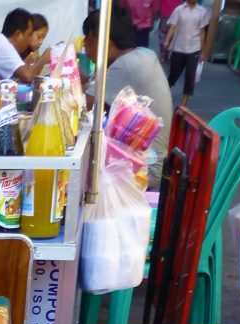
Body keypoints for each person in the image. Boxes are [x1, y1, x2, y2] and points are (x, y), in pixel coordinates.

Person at [83, 6, 173, 188]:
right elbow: (91, 85)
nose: (85, 46)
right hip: (154, 159)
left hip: (147, 169)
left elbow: (83, 104)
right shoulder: (142, 55)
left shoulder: (124, 66)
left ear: (104, 42)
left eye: (89, 40)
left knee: (82, 169)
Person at [0, 8, 52, 88]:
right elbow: (28, 76)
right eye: (29, 35)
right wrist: (45, 57)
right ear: (18, 34)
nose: (30, 39)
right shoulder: (2, 46)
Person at [164, 0, 210, 103]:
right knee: (173, 74)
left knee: (190, 76)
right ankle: (164, 95)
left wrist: (203, 51)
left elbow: (202, 32)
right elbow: (173, 27)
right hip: (178, 47)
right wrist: (167, 40)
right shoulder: (179, 10)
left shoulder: (202, 11)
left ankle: (184, 104)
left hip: (194, 47)